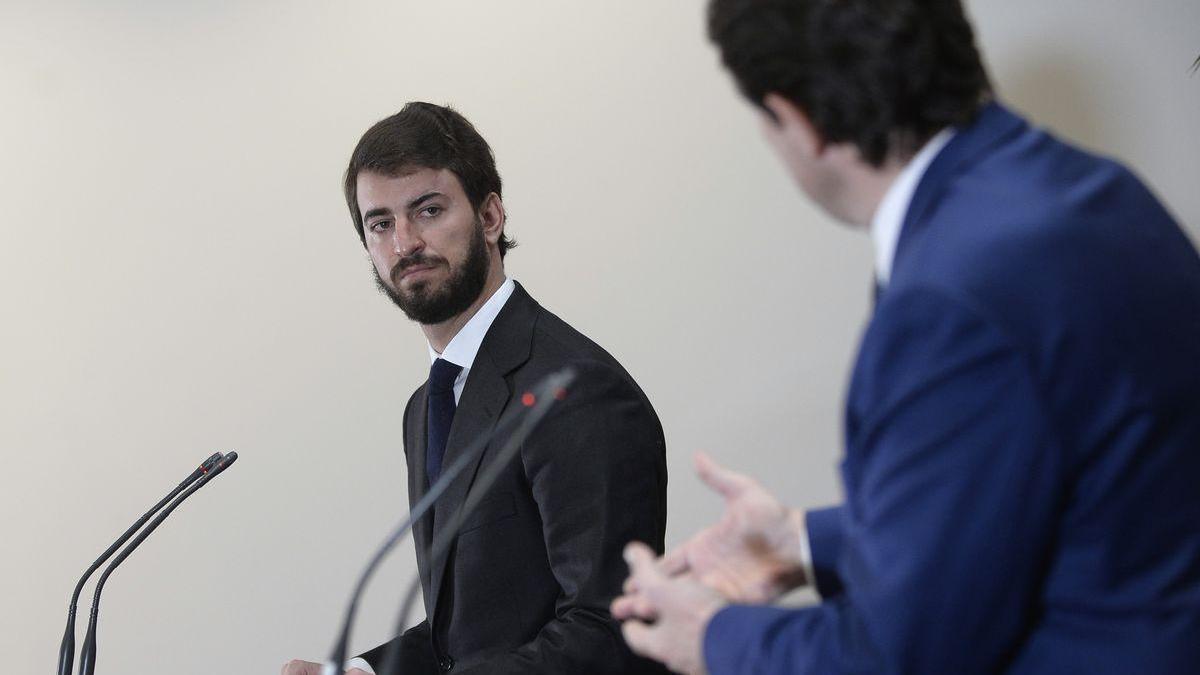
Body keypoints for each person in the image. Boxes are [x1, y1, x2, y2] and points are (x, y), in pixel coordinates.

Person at [612, 1, 1200, 673]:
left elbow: (897, 656)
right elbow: (1027, 500)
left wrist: (712, 635)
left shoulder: (946, 300)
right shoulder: (1096, 188)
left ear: (797, 122)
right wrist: (802, 539)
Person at [284, 102, 668, 675]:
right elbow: (467, 634)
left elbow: (608, 630)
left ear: (491, 218)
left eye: (428, 210)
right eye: (380, 223)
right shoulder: (426, 408)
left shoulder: (575, 389)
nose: (404, 243)